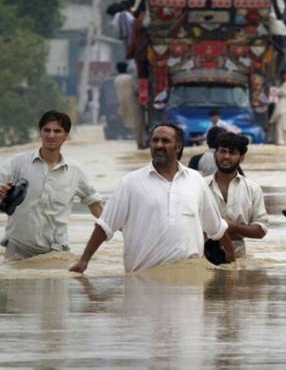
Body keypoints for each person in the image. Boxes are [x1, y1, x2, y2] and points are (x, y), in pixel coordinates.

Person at [69, 124, 234, 273]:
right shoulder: (131, 182)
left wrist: (231, 258)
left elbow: (215, 226)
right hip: (143, 280)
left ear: (178, 146)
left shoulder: (195, 180)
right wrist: (84, 261)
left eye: (165, 141)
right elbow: (105, 226)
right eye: (155, 140)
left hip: (188, 283)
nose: (159, 145)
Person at [0, 111, 103, 260]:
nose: (51, 135)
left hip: (55, 256)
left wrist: (126, 229)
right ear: (40, 133)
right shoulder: (18, 163)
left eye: (57, 131)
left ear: (66, 135)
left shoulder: (75, 171)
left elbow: (95, 206)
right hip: (17, 253)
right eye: (47, 130)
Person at [204, 133, 268, 262]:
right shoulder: (200, 186)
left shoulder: (253, 189)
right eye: (223, 151)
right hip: (202, 256)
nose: (226, 157)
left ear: (242, 157)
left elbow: (261, 230)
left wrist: (232, 226)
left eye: (232, 153)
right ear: (215, 154)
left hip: (238, 259)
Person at [113, 62, 145, 148]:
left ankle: (138, 142)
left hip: (123, 104)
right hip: (134, 103)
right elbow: (136, 89)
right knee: (139, 123)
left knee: (133, 124)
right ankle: (140, 143)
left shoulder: (116, 80)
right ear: (126, 69)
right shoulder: (130, 78)